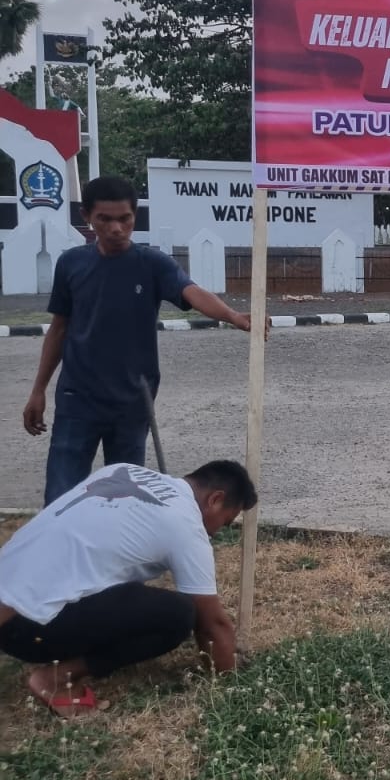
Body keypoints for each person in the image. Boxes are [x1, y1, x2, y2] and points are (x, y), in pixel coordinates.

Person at [22, 175, 255, 505]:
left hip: (133, 401)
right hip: (77, 399)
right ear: (86, 216)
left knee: (124, 498)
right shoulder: (71, 264)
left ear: (135, 216)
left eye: (125, 219)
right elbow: (59, 329)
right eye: (105, 219)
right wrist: (38, 391)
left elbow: (192, 292)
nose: (116, 228)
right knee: (61, 496)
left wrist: (233, 316)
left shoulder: (152, 264)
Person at [0, 458, 257, 717]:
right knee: (178, 614)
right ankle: (56, 679)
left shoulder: (123, 470)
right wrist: (231, 681)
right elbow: (211, 625)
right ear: (215, 499)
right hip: (26, 628)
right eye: (225, 522)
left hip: (7, 598)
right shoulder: (186, 524)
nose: (215, 533)